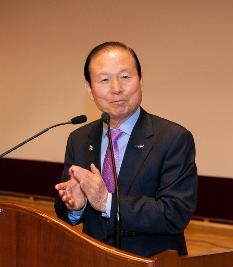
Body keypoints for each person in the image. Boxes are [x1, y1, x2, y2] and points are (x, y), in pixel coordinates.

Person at [54, 41, 197, 257]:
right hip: (92, 259)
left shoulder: (173, 139)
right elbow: (64, 211)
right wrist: (76, 207)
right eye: (104, 80)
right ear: (90, 90)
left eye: (125, 77)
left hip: (150, 262)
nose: (116, 89)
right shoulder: (79, 139)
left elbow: (174, 214)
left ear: (141, 80)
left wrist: (107, 202)